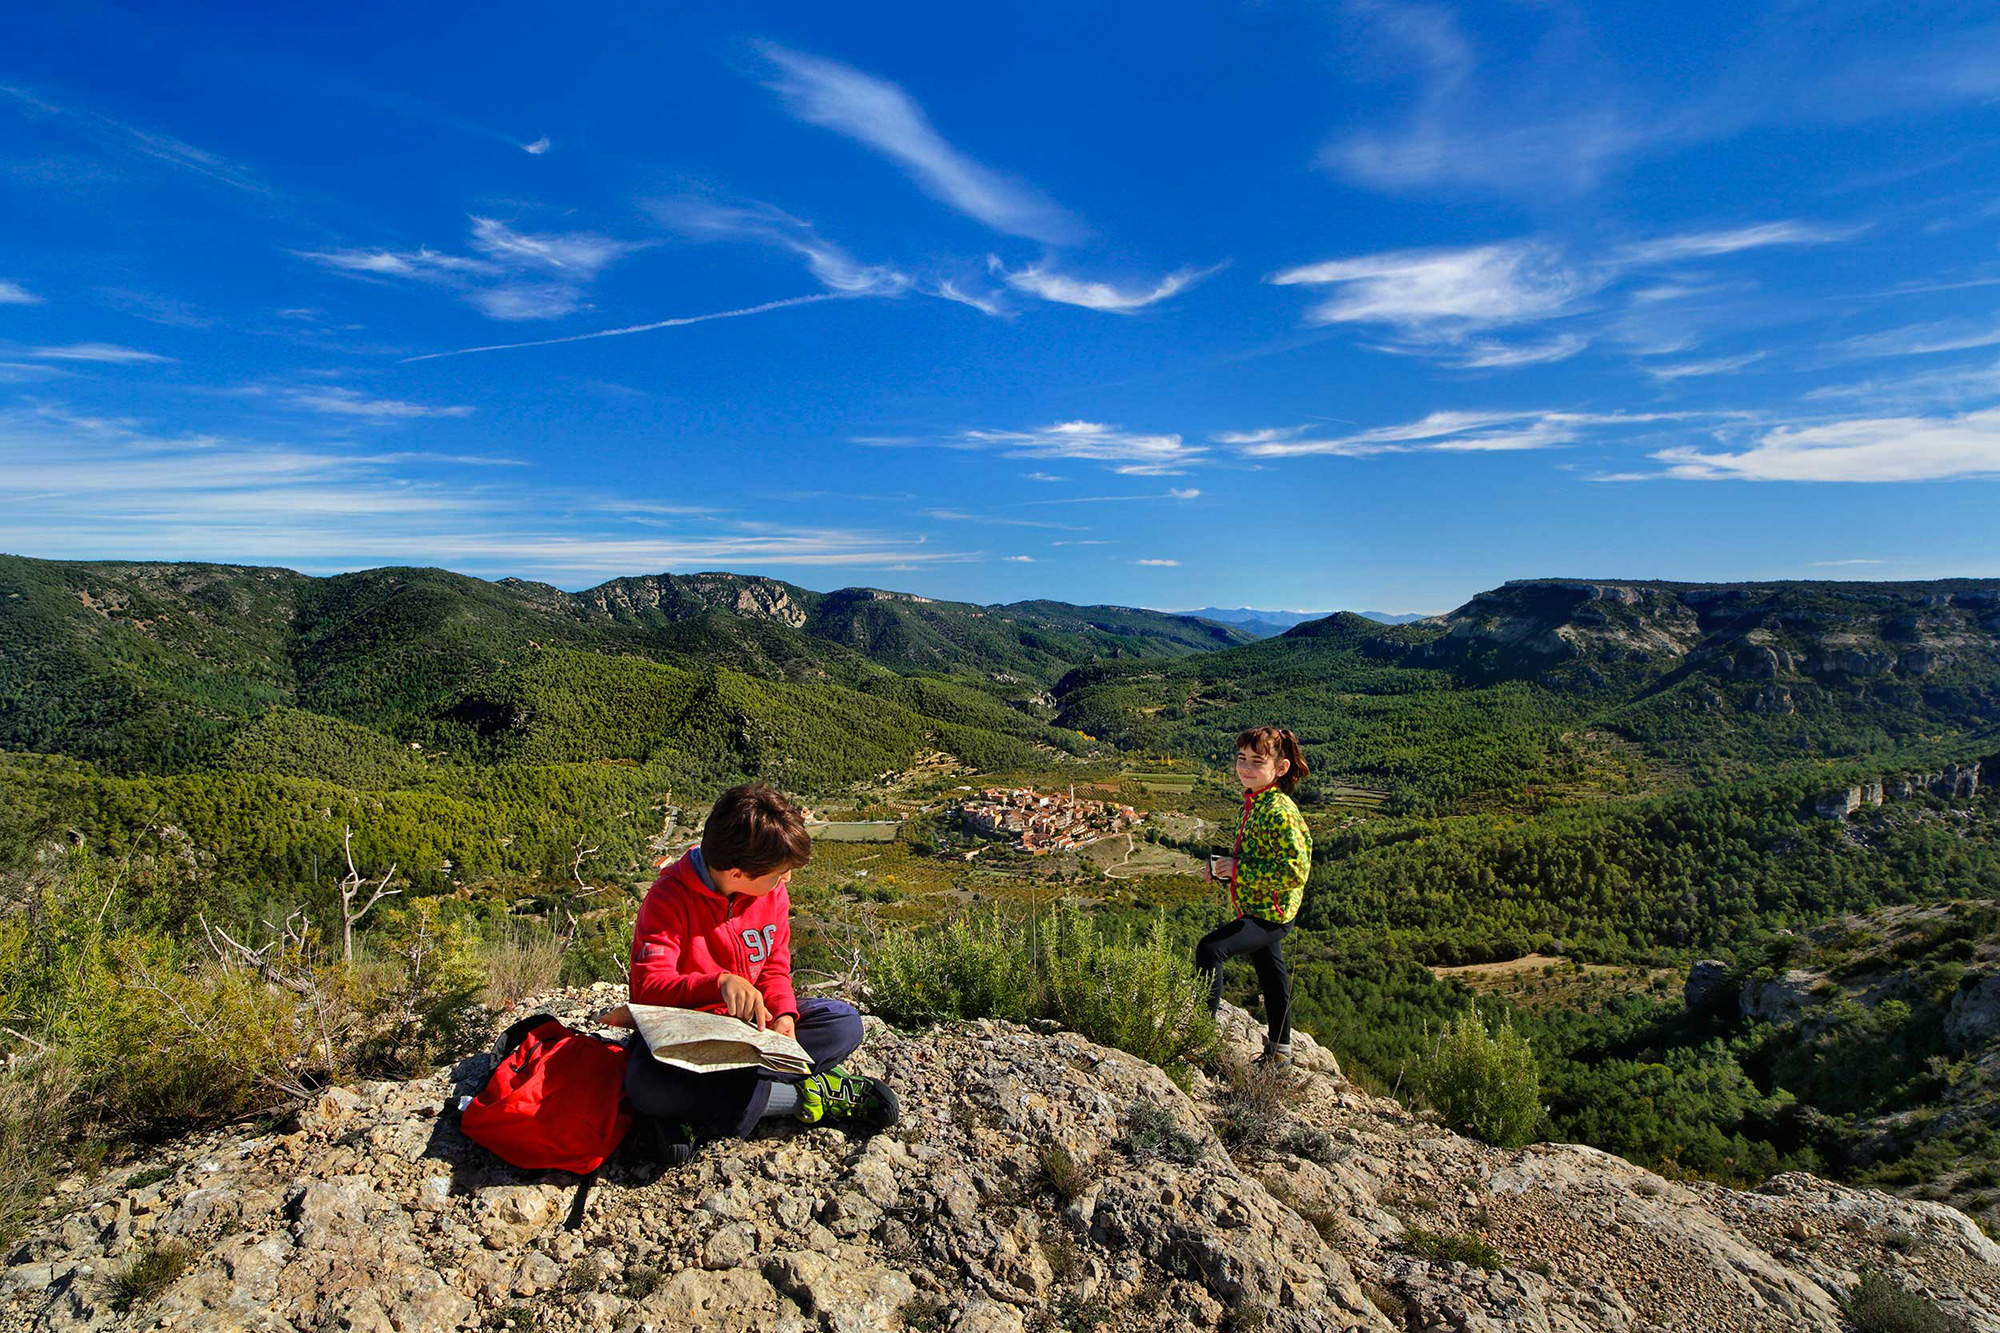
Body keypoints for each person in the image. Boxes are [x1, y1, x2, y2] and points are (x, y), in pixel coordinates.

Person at [619, 782, 898, 1152]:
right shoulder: (667, 899)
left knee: (842, 1023)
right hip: (688, 1039)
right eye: (777, 874)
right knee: (645, 1086)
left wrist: (785, 1016)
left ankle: (696, 1113)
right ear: (737, 874)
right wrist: (718, 984)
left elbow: (775, 966)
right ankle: (805, 1095)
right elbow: (647, 990)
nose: (786, 881)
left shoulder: (772, 894)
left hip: (753, 1032)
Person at [1196, 726, 1313, 1066]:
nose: (1246, 767)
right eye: (1241, 759)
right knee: (1272, 976)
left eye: (1256, 761)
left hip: (1272, 913)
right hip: (1259, 905)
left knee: (1210, 949)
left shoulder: (1280, 812)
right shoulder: (1254, 801)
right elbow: (1253, 857)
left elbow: (1294, 872)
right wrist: (1222, 868)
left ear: (1281, 768)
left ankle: (1199, 1041)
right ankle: (1280, 1055)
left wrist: (1237, 870)